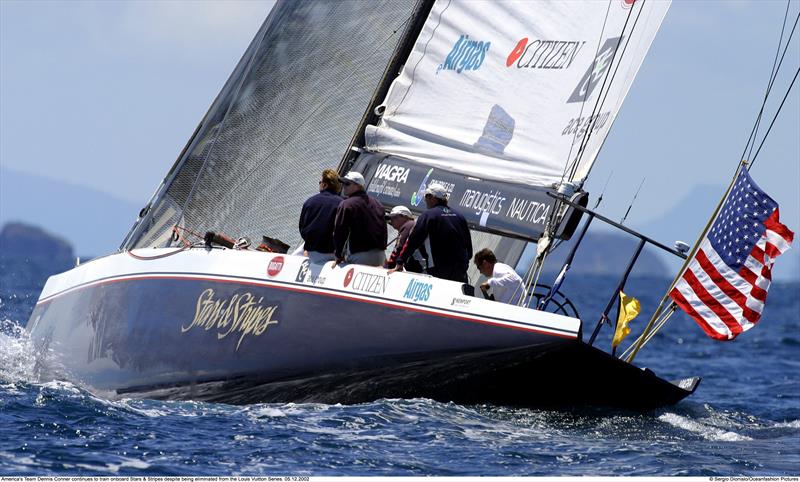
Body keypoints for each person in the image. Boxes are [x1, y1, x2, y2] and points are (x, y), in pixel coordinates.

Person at [389, 183, 472, 283]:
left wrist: (400, 261)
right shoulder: (459, 216)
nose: (425, 199)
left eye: (427, 196)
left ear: (433, 198)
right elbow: (469, 247)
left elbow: (413, 240)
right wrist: (464, 262)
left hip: (439, 270)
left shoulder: (428, 216)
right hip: (460, 269)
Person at [333, 171, 388, 266]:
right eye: (343, 183)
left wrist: (338, 254)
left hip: (359, 256)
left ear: (358, 186)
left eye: (347, 183)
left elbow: (340, 231)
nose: (344, 186)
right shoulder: (378, 204)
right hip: (380, 256)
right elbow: (384, 230)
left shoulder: (347, 204)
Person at [298, 168, 342, 264]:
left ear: (324, 184)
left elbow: (302, 227)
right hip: (333, 253)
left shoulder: (309, 202)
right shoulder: (342, 204)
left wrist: (310, 242)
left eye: (320, 182)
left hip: (312, 252)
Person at [385, 205, 427, 273]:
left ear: (405, 217)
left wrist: (387, 267)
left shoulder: (408, 225)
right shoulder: (410, 226)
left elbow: (398, 249)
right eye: (391, 218)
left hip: (417, 269)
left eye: (394, 217)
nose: (391, 220)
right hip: (418, 268)